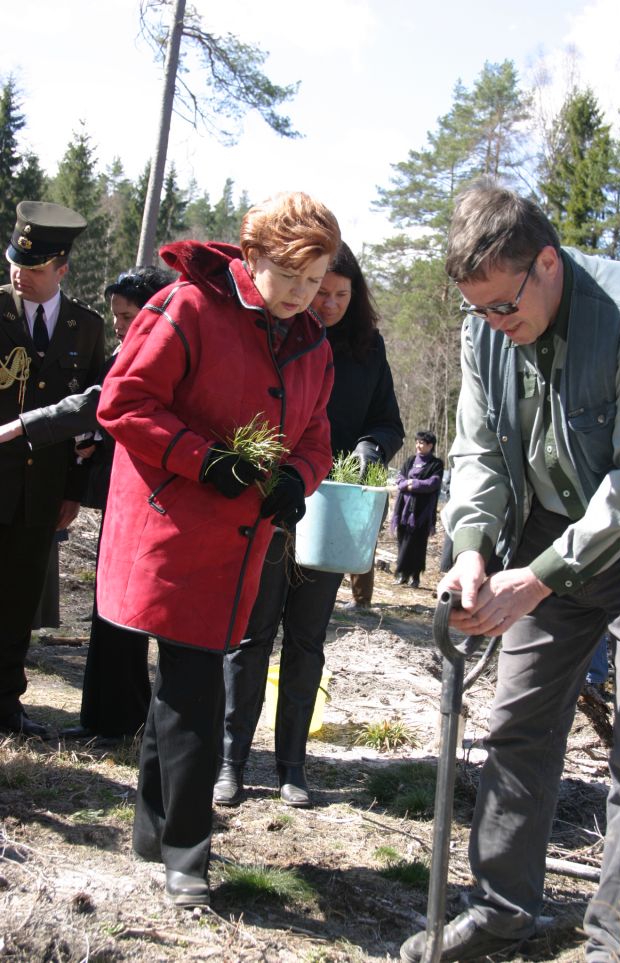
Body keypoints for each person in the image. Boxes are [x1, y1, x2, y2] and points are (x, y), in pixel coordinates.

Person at [399, 179, 620, 963]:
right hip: (547, 540)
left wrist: (534, 577)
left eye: (506, 306)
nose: (497, 326)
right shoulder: (486, 328)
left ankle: (617, 937)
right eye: (480, 312)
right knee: (517, 727)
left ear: (546, 262)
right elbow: (477, 450)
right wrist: (470, 544)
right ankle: (504, 912)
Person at [95, 192, 340, 908]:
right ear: (253, 255)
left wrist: (297, 479)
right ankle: (187, 857)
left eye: (315, 279)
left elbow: (317, 436)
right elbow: (124, 400)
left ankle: (152, 829)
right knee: (196, 686)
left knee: (185, 681)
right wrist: (203, 458)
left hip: (243, 542)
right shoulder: (188, 306)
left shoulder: (314, 345)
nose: (302, 294)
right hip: (174, 529)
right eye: (289, 276)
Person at [213, 241, 404, 810]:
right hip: (270, 502)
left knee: (307, 638)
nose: (328, 303)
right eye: (321, 291)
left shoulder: (367, 352)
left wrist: (370, 449)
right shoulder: (279, 339)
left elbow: (387, 423)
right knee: (252, 635)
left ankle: (292, 766)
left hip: (333, 507)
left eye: (342, 294)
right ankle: (231, 760)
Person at [0, 268, 175, 737]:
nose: (118, 324)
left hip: (152, 500)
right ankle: (108, 718)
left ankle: (125, 720)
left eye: (126, 315)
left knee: (130, 613)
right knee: (110, 609)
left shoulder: (163, 351)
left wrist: (27, 427)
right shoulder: (131, 348)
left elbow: (98, 401)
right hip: (118, 495)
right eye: (115, 315)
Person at [0, 201, 104, 739]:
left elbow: (91, 420)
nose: (20, 273)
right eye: (15, 260)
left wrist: (76, 491)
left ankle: (6, 705)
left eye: (35, 267)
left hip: (42, 493)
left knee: (18, 600)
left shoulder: (86, 328)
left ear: (62, 267)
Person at [391, 430, 443, 588]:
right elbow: (400, 479)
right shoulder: (410, 460)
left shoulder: (436, 464)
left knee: (418, 545)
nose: (418, 445)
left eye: (422, 443)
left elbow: (433, 483)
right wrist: (407, 483)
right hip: (404, 510)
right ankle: (402, 575)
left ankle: (415, 576)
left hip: (422, 512)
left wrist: (413, 484)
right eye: (417, 442)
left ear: (430, 445)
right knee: (402, 541)